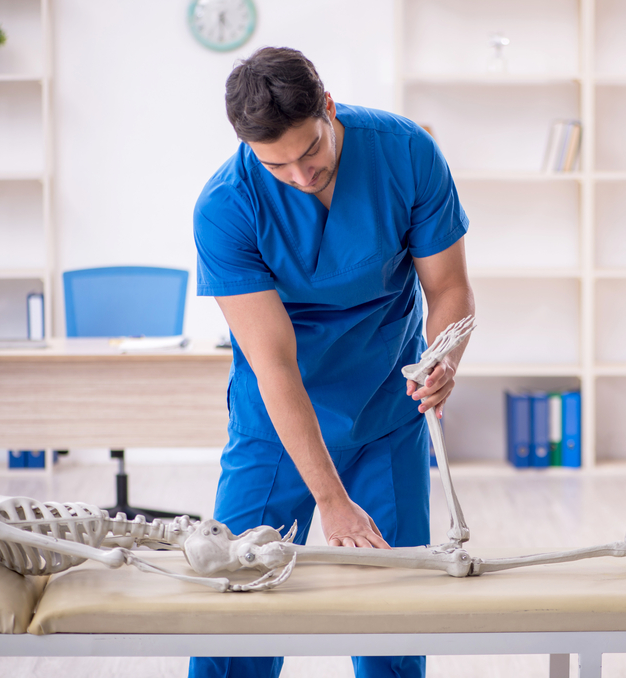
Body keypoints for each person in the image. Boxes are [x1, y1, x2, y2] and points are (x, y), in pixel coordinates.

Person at [187, 47, 474, 678]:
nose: (298, 174)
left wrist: (445, 352)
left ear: (329, 109)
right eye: (275, 164)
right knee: (238, 613)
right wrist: (332, 501)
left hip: (386, 409)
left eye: (309, 151)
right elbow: (275, 364)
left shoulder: (405, 154)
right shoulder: (227, 207)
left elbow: (447, 287)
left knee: (391, 622)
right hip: (277, 420)